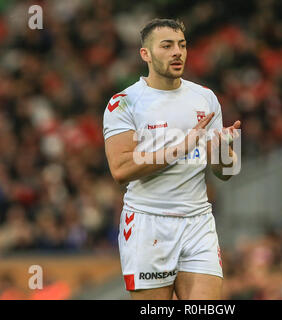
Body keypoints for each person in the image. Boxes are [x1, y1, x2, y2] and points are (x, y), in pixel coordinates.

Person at [103, 18, 241, 300]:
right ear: (146, 54)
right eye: (166, 46)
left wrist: (222, 151)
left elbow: (225, 173)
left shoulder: (205, 98)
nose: (177, 52)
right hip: (147, 223)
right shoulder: (124, 102)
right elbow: (120, 169)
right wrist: (181, 147)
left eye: (182, 45)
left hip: (198, 222)